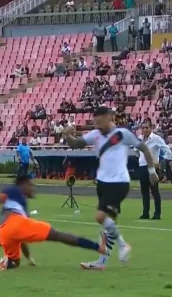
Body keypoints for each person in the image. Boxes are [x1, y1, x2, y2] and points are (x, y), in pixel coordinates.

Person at [63, 106, 159, 270]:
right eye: (96, 124)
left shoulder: (123, 134)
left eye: (100, 123)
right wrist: (66, 135)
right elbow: (76, 144)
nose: (98, 127)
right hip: (102, 182)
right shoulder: (95, 134)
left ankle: (123, 245)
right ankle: (101, 262)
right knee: (108, 225)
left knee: (101, 216)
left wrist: (151, 171)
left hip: (119, 182)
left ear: (109, 118)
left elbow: (144, 148)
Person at [0, 175, 108, 271]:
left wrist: (29, 258)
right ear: (23, 184)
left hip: (4, 232)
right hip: (15, 223)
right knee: (60, 236)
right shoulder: (14, 190)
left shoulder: (20, 204)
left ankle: (5, 261)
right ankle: (98, 247)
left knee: (15, 262)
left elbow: (21, 237)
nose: (33, 188)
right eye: (31, 185)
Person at [137, 122, 171, 220]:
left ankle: (157, 213)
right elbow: (136, 150)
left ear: (151, 128)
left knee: (154, 191)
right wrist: (140, 158)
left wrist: (160, 162)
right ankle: (145, 213)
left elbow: (167, 150)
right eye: (143, 128)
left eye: (147, 128)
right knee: (144, 191)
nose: (145, 130)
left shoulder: (156, 139)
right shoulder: (139, 138)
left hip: (152, 167)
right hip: (142, 166)